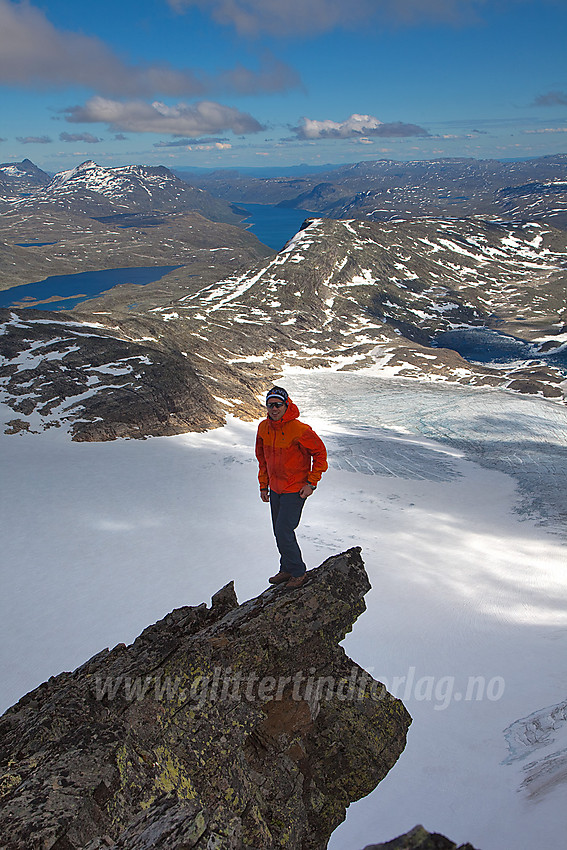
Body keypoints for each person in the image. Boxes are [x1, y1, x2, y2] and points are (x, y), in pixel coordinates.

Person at [255, 386, 328, 589]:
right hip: (276, 489)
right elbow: (262, 460)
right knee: (279, 531)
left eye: (278, 404)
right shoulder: (263, 428)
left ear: (286, 404)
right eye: (270, 405)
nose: (274, 409)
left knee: (284, 530)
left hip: (295, 489)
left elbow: (320, 454)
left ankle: (298, 572)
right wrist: (264, 486)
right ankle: (286, 568)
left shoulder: (300, 429)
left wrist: (312, 482)